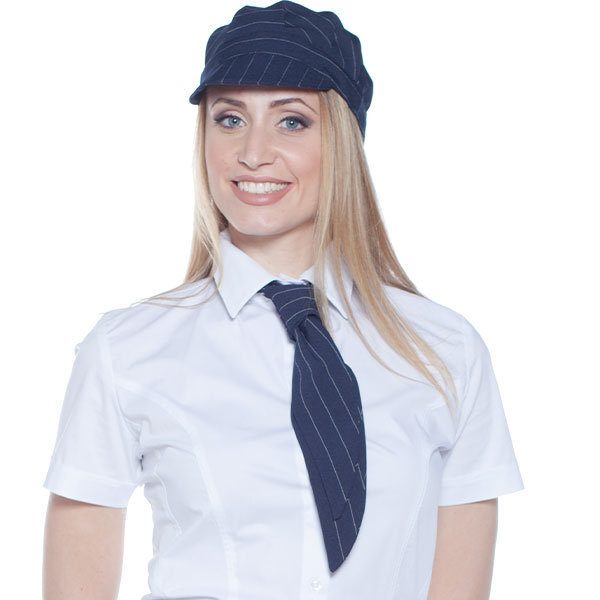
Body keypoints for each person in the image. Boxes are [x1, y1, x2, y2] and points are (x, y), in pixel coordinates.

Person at [41, 1, 525, 598]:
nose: (253, 152)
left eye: (292, 121)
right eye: (229, 118)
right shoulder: (125, 350)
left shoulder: (445, 351)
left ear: (343, 141)